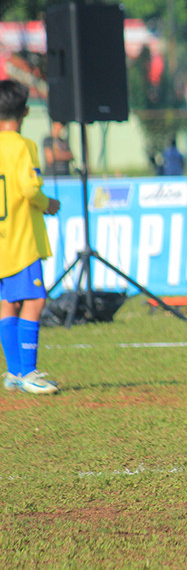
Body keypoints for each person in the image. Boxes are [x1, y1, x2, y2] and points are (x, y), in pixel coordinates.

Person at [0, 80, 61, 395]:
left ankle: (12, 371)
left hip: (0, 240)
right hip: (21, 240)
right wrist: (48, 204)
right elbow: (29, 189)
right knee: (35, 299)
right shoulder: (23, 146)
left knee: (7, 302)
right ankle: (27, 371)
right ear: (25, 111)